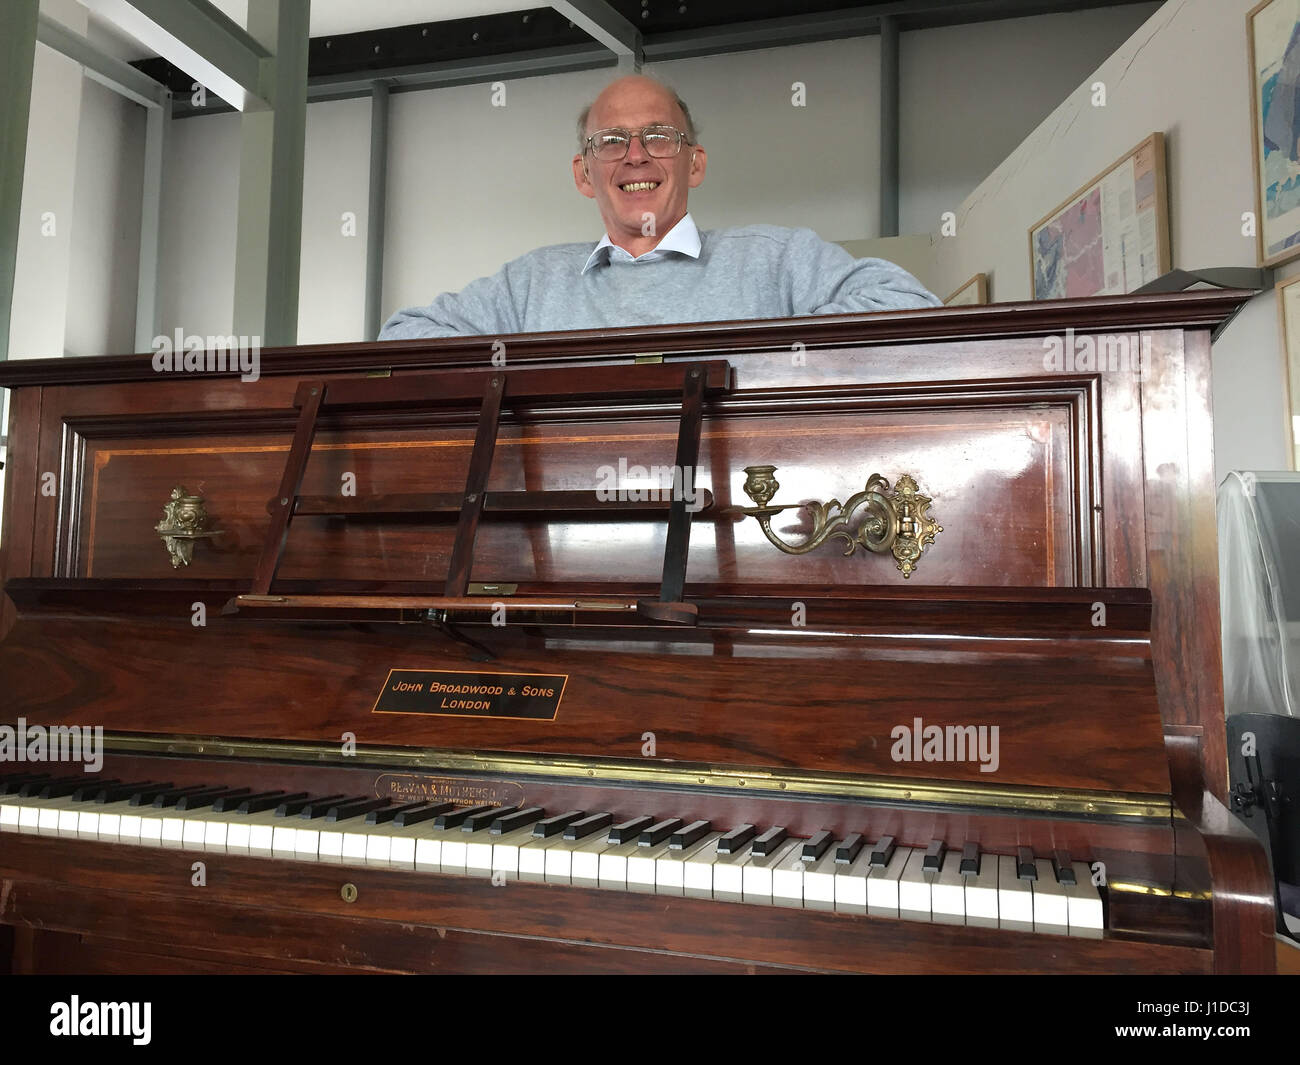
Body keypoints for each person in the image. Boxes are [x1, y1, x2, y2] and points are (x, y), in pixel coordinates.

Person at [379, 75, 939, 340]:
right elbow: (404, 337)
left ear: (694, 163)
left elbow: (909, 304)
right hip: (570, 540)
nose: (636, 157)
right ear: (584, 174)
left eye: (659, 137)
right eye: (612, 142)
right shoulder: (530, 284)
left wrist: (760, 359)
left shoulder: (776, 257)